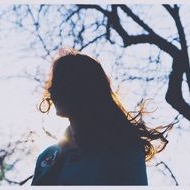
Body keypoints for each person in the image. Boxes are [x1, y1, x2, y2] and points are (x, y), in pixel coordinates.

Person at [31, 48, 172, 185]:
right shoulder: (46, 157)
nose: (51, 89)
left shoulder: (124, 149)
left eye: (61, 82)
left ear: (84, 87)